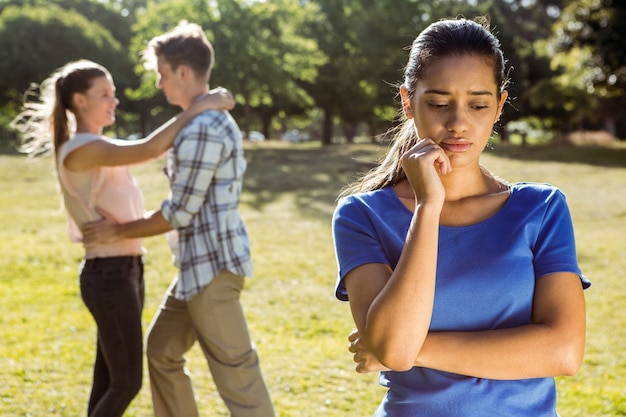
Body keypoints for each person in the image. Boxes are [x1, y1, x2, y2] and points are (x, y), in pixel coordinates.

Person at [331, 17, 591, 416]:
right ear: (407, 101)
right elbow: (395, 348)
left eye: (478, 104)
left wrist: (412, 350)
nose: (457, 123)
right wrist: (427, 206)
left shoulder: (541, 210)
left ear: (499, 106)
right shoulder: (362, 215)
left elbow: (563, 352)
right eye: (437, 103)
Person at [10, 59, 234, 417]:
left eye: (113, 93)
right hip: (109, 275)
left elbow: (152, 150)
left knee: (108, 380)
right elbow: (148, 148)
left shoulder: (97, 146)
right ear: (80, 101)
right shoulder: (82, 150)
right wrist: (200, 105)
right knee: (126, 382)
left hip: (125, 271)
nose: (114, 101)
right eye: (105, 94)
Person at [81, 22, 275, 417]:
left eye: (162, 74)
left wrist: (117, 230)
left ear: (183, 72)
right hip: (194, 269)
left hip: (213, 269)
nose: (158, 84)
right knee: (162, 348)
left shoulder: (203, 128)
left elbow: (178, 212)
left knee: (238, 373)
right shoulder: (198, 122)